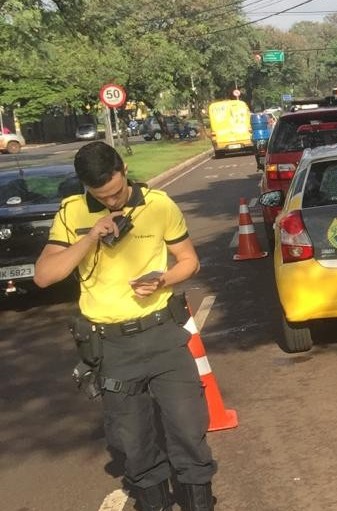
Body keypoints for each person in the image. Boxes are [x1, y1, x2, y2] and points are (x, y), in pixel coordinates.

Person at [33, 142, 217, 511]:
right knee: (135, 444)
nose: (113, 201)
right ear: (85, 187)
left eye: (117, 192)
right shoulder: (71, 213)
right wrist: (89, 237)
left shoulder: (159, 204)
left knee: (188, 429)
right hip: (112, 347)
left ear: (124, 168)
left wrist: (163, 280)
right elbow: (44, 276)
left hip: (163, 335)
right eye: (102, 196)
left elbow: (189, 261)